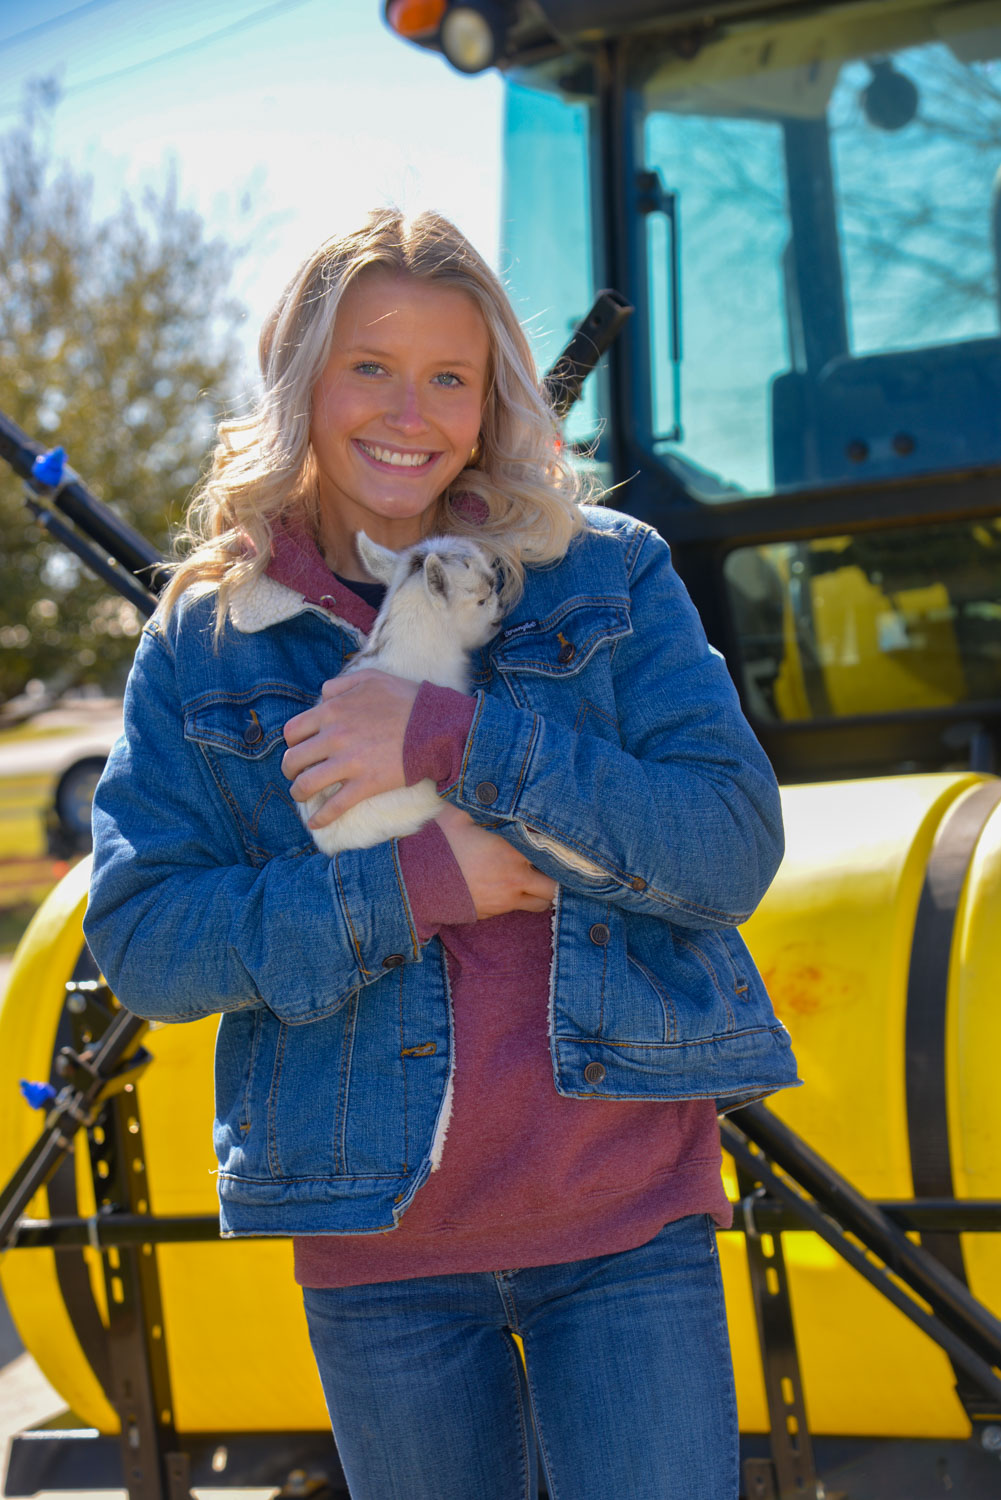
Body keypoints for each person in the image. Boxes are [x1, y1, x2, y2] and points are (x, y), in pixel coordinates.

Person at [85, 208, 799, 1500]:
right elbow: (147, 945)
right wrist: (418, 885)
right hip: (378, 1249)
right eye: (370, 365)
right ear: (302, 377)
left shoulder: (608, 577)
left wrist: (450, 736)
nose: (407, 411)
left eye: (448, 377)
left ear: (491, 399)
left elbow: (728, 848)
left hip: (625, 1224)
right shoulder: (207, 641)